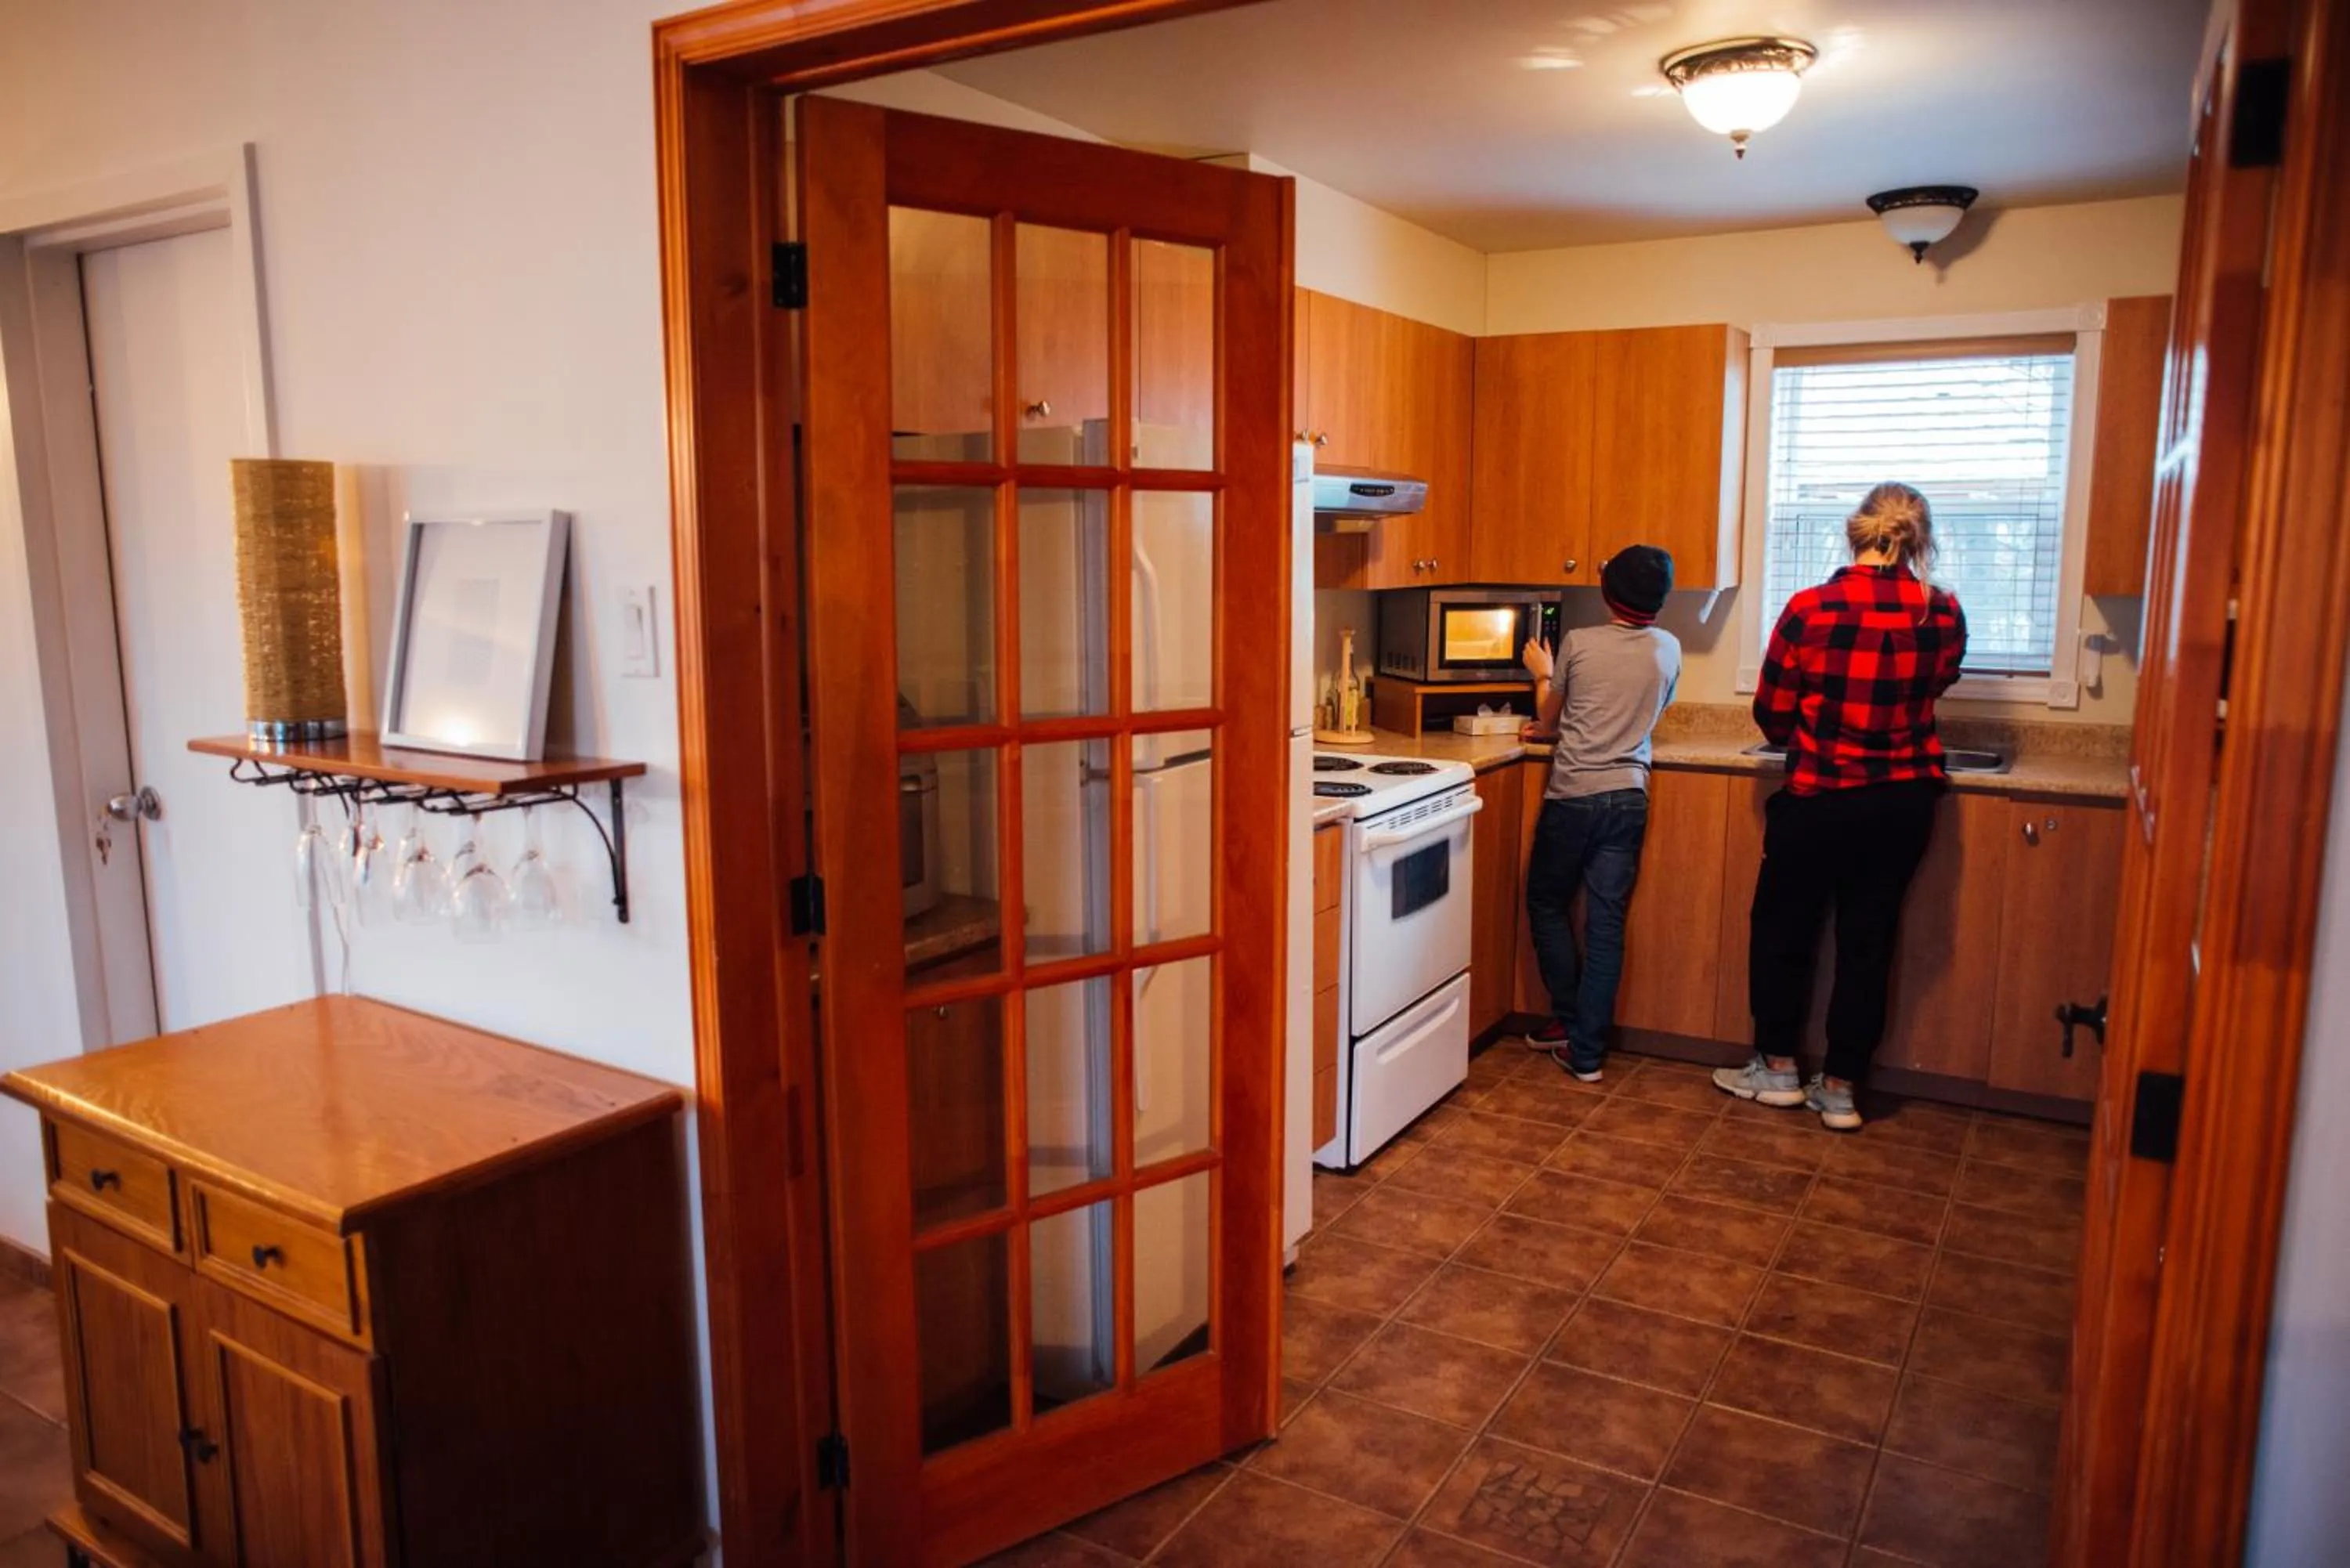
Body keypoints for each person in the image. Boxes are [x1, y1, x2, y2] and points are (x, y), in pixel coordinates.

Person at [1715, 482, 1968, 1131]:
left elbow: (1773, 717)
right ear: (1918, 539)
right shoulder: (1942, 611)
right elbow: (1940, 682)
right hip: (1903, 803)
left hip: (1821, 798)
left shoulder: (1810, 609)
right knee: (1869, 943)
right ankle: (1840, 1090)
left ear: (1855, 531)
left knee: (1783, 932)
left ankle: (1777, 1070)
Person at [1518, 545, 1681, 1082]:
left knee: (1547, 903)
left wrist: (1541, 673)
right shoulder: (1669, 648)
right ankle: (1586, 1049)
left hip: (1574, 796)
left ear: (1609, 593)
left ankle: (1567, 1021)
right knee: (1606, 923)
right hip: (1629, 796)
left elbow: (1548, 721)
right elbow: (1647, 712)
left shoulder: (1579, 643)